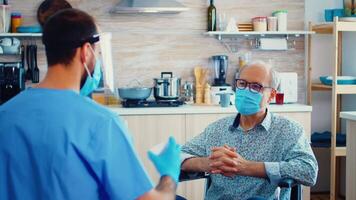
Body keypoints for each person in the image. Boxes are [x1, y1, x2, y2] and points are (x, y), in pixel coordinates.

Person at [0, 9, 181, 200]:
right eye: (98, 52)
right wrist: (170, 175)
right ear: (86, 52)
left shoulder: (4, 114)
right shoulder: (101, 123)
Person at [180, 61, 318, 200]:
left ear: (271, 95)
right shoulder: (217, 129)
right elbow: (178, 155)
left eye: (255, 87)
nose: (246, 91)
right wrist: (208, 163)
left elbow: (309, 171)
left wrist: (247, 167)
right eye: (242, 84)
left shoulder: (288, 130)